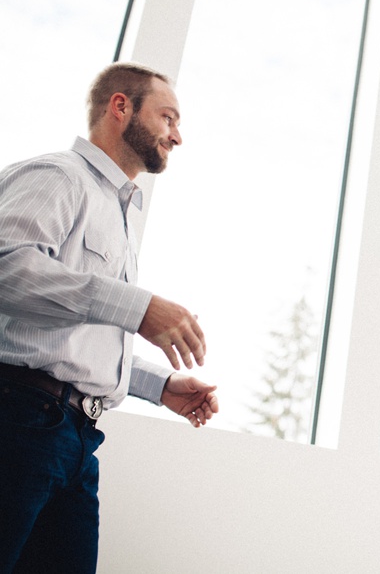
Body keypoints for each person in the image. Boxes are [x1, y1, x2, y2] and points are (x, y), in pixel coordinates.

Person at [0, 62, 219, 574]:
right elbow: (8, 266)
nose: (177, 136)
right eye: (168, 117)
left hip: (76, 443)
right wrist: (138, 306)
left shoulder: (118, 217)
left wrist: (159, 385)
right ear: (121, 107)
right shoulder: (58, 176)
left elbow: (76, 337)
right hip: (18, 425)